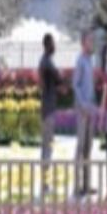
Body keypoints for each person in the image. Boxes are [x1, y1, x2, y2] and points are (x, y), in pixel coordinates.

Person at [71, 33, 98, 184]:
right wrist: (83, 105)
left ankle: (86, 184)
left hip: (91, 108)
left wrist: (93, 106)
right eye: (89, 40)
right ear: (83, 43)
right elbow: (75, 85)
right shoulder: (80, 61)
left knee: (89, 147)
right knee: (80, 146)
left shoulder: (90, 61)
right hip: (83, 110)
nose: (92, 43)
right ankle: (77, 184)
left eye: (92, 40)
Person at [38, 33, 63, 165]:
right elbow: (56, 80)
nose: (55, 46)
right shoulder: (46, 63)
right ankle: (45, 167)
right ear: (47, 45)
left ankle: (46, 165)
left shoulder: (47, 61)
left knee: (47, 140)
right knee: (47, 140)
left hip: (48, 105)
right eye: (53, 43)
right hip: (48, 106)